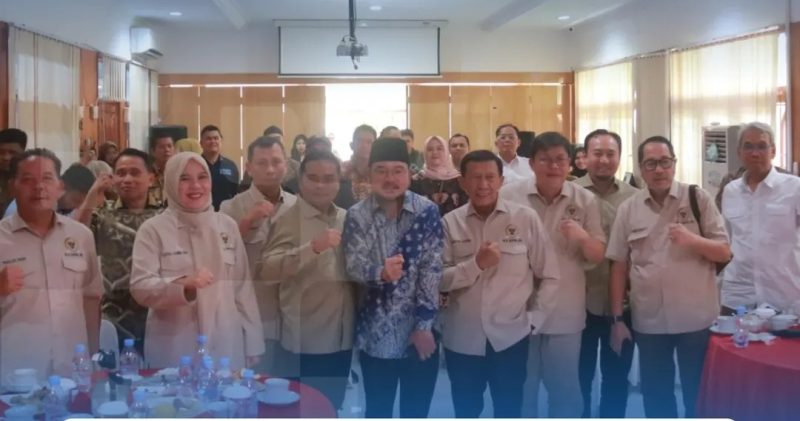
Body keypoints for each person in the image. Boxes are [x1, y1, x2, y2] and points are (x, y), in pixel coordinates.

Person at [607, 136, 731, 418]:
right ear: (641, 169)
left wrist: (692, 240)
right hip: (649, 320)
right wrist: (617, 320)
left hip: (696, 319)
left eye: (664, 162)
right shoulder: (629, 208)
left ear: (674, 164)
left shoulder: (698, 198)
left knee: (698, 394)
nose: (659, 170)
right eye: (651, 164)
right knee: (656, 397)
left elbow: (724, 251)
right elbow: (618, 266)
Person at [440, 150, 560, 417]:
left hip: (510, 338)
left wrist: (534, 320)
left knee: (509, 410)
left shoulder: (525, 218)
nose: (483, 185)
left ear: (501, 181)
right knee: (466, 410)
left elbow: (550, 275)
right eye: (476, 177)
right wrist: (476, 264)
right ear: (462, 182)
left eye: (490, 177)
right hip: (462, 339)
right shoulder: (450, 223)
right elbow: (439, 280)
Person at [501, 132, 606, 418]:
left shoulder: (585, 200)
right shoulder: (509, 196)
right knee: (521, 389)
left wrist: (582, 237)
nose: (554, 166)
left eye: (560, 159)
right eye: (545, 159)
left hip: (565, 311)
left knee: (565, 391)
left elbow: (597, 254)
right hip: (518, 309)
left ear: (570, 163)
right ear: (532, 163)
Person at [130, 152, 264, 369]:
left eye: (202, 177)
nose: (195, 186)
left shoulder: (227, 226)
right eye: (184, 179)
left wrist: (253, 341)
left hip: (226, 340)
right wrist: (183, 286)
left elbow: (242, 288)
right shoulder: (153, 230)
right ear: (171, 183)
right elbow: (140, 286)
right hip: (175, 344)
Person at [342, 138, 444, 418]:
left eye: (398, 170)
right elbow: (353, 266)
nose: (390, 179)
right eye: (381, 170)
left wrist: (423, 326)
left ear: (409, 174)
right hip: (375, 336)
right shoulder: (357, 215)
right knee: (377, 411)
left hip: (420, 336)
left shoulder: (427, 212)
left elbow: (432, 270)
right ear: (369, 173)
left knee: (416, 412)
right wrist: (380, 273)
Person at [260, 150, 355, 410]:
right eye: (313, 178)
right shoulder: (288, 219)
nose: (321, 185)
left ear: (339, 182)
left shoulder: (345, 217)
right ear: (300, 180)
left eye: (329, 178)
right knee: (303, 410)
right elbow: (267, 271)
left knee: (332, 407)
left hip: (342, 338)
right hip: (305, 343)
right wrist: (312, 248)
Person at [0, 148, 102, 383]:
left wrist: (93, 358)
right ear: (12, 186)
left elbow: (91, 299)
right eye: (28, 180)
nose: (38, 187)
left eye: (47, 178)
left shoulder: (81, 236)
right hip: (15, 372)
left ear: (60, 187)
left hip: (73, 368)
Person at [575, 129, 638, 418]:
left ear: (619, 157)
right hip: (579, 302)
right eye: (597, 153)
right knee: (579, 377)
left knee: (616, 378)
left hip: (624, 305)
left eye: (610, 154)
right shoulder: (570, 194)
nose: (603, 160)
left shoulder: (635, 197)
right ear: (585, 157)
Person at [220, 136, 297, 374]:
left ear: (286, 164)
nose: (270, 169)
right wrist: (246, 222)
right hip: (254, 317)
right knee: (253, 385)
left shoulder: (298, 206)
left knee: (289, 387)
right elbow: (219, 258)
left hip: (292, 318)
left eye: (276, 162)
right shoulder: (230, 208)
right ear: (249, 167)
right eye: (262, 163)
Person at [74, 148, 161, 355]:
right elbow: (74, 238)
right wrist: (91, 195)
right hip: (112, 315)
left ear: (151, 178)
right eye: (121, 173)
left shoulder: (164, 216)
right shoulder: (103, 215)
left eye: (135, 173)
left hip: (156, 313)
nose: (127, 179)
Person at [721, 122, 800, 314]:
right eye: (748, 146)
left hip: (784, 297)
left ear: (773, 151)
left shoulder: (794, 188)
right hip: (738, 295)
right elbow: (726, 241)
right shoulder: (730, 191)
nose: (755, 153)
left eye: (762, 146)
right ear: (739, 152)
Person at [410, 135, 466, 216]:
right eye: (430, 149)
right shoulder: (416, 180)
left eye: (439, 148)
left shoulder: (459, 180)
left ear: (446, 151)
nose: (435, 152)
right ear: (425, 153)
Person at [200, 124, 239, 211]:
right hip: (201, 213)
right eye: (208, 139)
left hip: (226, 213)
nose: (213, 141)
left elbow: (235, 193)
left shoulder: (230, 166)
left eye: (216, 138)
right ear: (201, 143)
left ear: (220, 141)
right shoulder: (196, 164)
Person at [342, 124, 377, 205]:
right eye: (359, 141)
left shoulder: (380, 172)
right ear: (351, 145)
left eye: (369, 142)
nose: (364, 145)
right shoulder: (341, 171)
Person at [0, 128, 27, 216]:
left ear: (23, 153)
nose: (6, 157)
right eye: (1, 152)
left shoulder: (33, 180)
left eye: (12, 152)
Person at [149, 132, 175, 208]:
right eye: (161, 147)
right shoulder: (147, 173)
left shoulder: (179, 172)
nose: (166, 150)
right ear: (153, 151)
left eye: (169, 146)